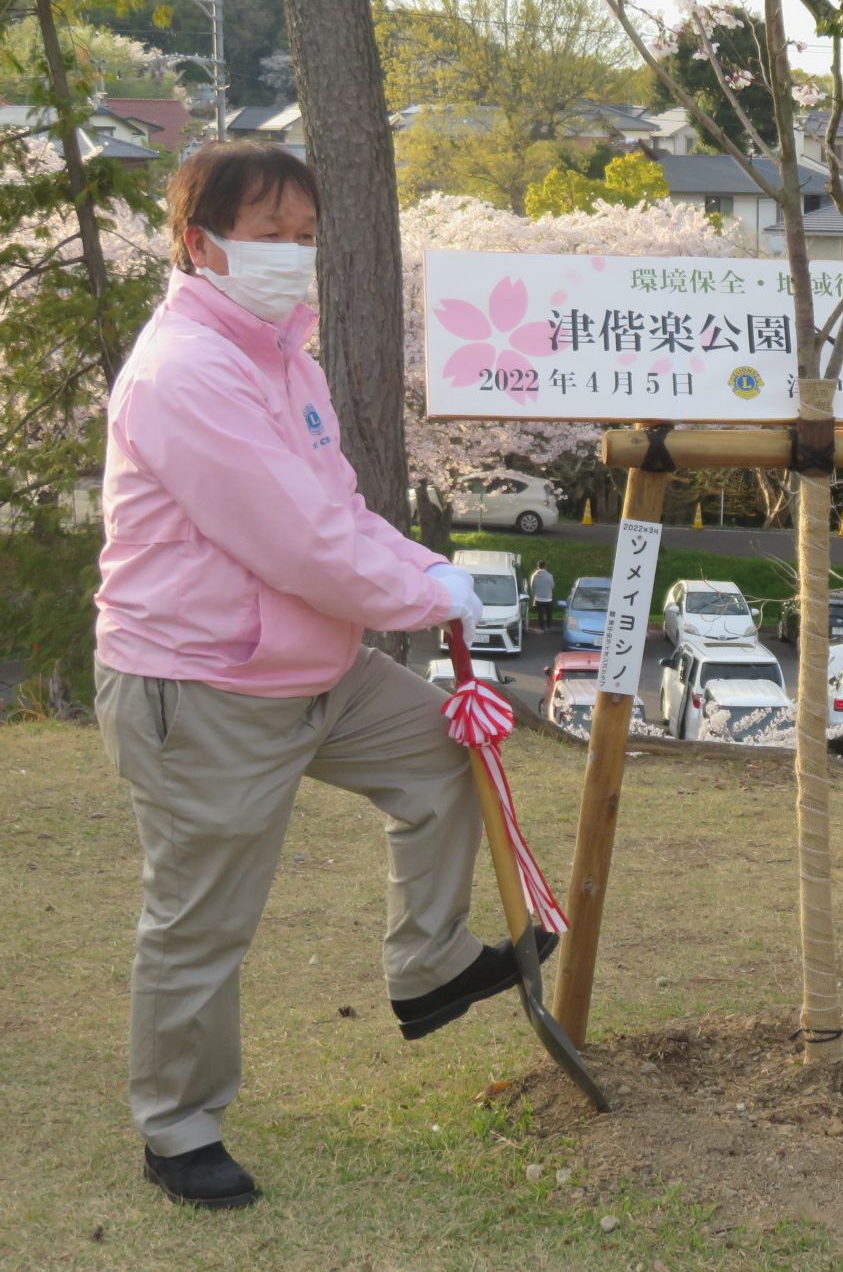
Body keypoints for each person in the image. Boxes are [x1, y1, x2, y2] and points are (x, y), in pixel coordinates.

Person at [93, 143, 556, 1211]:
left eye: (306, 238)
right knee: (201, 919)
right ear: (199, 242)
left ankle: (428, 963)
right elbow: (295, 541)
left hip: (315, 668)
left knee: (452, 748)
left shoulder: (284, 360)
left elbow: (339, 510)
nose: (293, 259)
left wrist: (428, 569)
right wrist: (420, 593)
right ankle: (177, 1125)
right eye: (269, 235)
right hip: (202, 685)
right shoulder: (186, 371)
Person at [529, 560, 555, 630]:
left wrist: (534, 597)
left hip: (538, 598)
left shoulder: (534, 575)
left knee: (540, 614)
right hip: (548, 598)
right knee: (549, 613)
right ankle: (549, 626)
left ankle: (542, 627)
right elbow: (552, 586)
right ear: (545, 566)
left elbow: (532, 586)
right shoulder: (550, 575)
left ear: (538, 567)